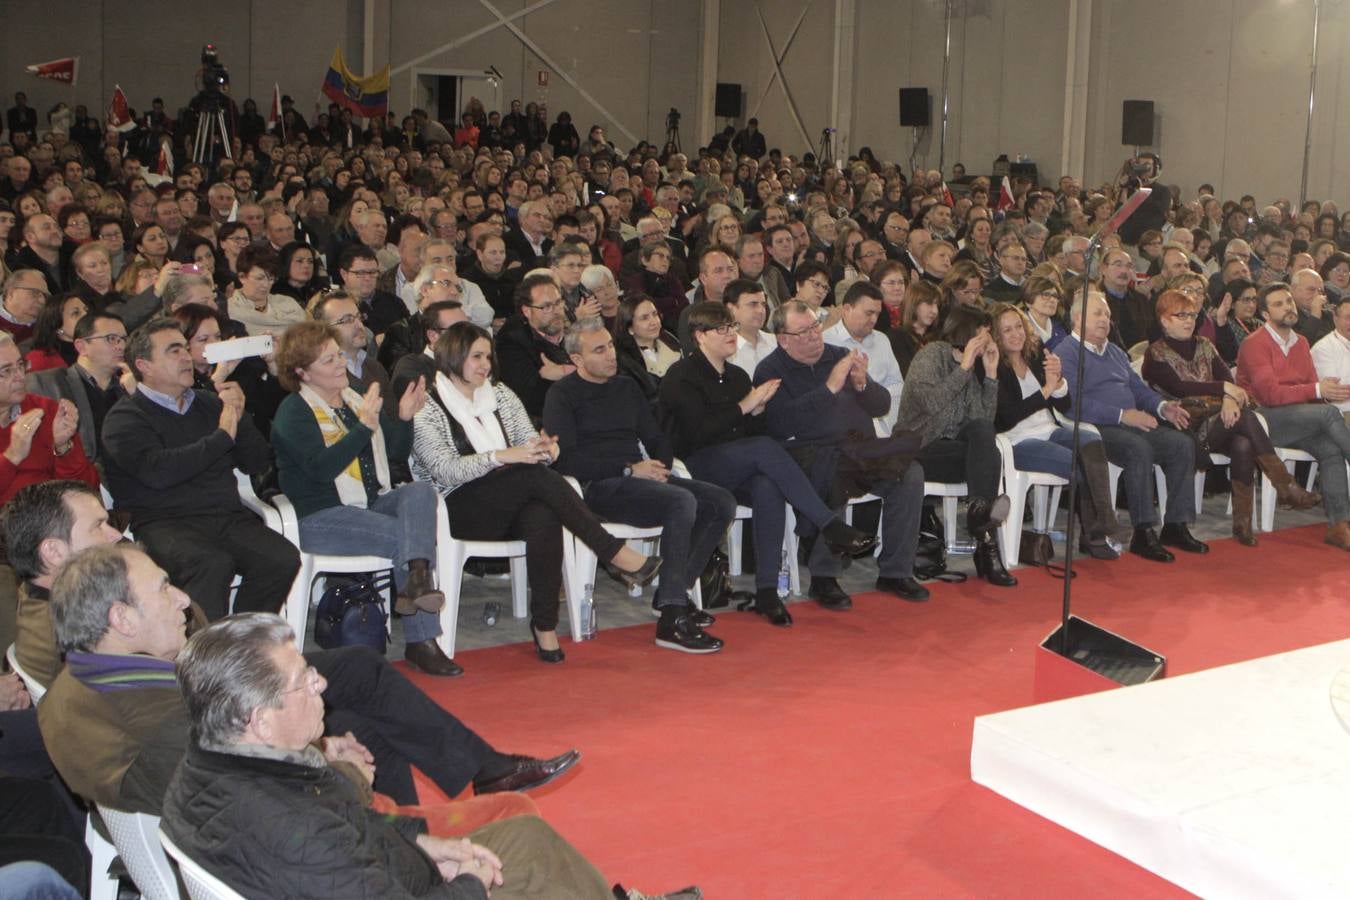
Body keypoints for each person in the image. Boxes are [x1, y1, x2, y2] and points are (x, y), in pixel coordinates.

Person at [10, 487, 575, 812]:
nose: (115, 534)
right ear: (56, 552)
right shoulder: (62, 631)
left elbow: (196, 637)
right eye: (100, 526)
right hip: (217, 722)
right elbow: (205, 742)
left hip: (209, 698)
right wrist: (327, 755)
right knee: (361, 720)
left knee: (358, 674)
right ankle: (419, 830)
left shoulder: (94, 623)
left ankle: (440, 807)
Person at [161, 611, 697, 899]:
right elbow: (332, 840)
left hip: (387, 871)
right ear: (259, 718)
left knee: (527, 838)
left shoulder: (217, 758)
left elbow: (350, 826)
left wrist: (427, 843)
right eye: (305, 680)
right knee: (518, 865)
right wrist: (467, 883)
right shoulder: (290, 828)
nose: (322, 683)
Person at [412, 322, 661, 663]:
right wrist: (501, 456)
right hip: (457, 508)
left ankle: (544, 625)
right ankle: (613, 551)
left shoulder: (500, 395)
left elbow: (528, 444)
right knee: (530, 477)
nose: (485, 364)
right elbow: (445, 470)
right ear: (453, 357)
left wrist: (546, 449)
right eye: (476, 357)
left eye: (488, 356)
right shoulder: (428, 406)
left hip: (511, 499)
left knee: (541, 513)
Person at [660, 303, 891, 623]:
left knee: (767, 485)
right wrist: (746, 406)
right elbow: (693, 433)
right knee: (765, 448)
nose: (731, 334)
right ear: (699, 336)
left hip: (739, 463)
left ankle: (767, 591)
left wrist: (754, 413)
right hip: (698, 465)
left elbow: (752, 430)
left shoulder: (737, 375)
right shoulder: (681, 375)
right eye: (721, 329)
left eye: (731, 327)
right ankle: (828, 523)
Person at [271, 320, 463, 676]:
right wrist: (362, 428)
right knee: (405, 537)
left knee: (420, 492)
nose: (340, 364)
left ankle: (416, 585)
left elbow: (394, 450)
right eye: (328, 361)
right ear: (302, 372)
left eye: (338, 356)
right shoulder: (294, 411)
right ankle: (423, 640)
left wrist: (403, 418)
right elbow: (319, 470)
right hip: (320, 514)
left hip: (370, 503)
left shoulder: (354, 398)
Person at [544, 317, 733, 652]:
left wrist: (659, 465)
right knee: (680, 502)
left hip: (641, 478)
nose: (610, 355)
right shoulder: (562, 395)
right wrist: (630, 468)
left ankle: (671, 593)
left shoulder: (626, 387)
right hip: (599, 486)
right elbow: (565, 460)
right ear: (576, 359)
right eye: (599, 350)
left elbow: (656, 436)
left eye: (611, 346)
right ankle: (672, 618)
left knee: (720, 502)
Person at [100, 317, 300, 619]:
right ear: (144, 365)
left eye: (184, 348)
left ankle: (242, 639)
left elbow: (256, 462)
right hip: (163, 522)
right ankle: (206, 655)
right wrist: (221, 437)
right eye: (173, 350)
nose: (185, 357)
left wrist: (240, 417)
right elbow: (159, 472)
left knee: (281, 558)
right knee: (210, 563)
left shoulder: (210, 403)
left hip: (225, 517)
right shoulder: (125, 418)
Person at [754, 301, 926, 608]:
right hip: (809, 453)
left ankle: (896, 570)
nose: (814, 335)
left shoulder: (840, 356)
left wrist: (862, 385)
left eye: (815, 327)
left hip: (860, 448)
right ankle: (824, 578)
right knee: (832, 466)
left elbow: (881, 406)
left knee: (909, 472)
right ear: (783, 338)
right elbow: (779, 424)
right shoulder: (770, 370)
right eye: (803, 331)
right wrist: (829, 388)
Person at [1142, 289, 1321, 546]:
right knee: (1246, 420)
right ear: (1164, 319)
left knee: (1243, 443)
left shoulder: (1205, 345)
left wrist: (1228, 398)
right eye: (1180, 315)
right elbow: (1181, 387)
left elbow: (1227, 379)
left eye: (1192, 314)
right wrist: (1225, 391)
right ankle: (1284, 485)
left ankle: (1243, 523)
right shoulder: (1155, 353)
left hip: (1218, 421)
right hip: (1183, 429)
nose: (1188, 320)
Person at [1056, 293, 1208, 562]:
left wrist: (1163, 408)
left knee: (1181, 444)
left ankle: (1175, 525)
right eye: (1097, 314)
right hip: (1095, 429)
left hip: (1131, 421)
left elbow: (1139, 390)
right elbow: (1072, 405)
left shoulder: (1114, 351)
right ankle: (1143, 530)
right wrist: (1121, 415)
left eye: (1106, 314)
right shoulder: (1066, 353)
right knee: (1138, 449)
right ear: (1078, 319)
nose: (1106, 320)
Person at [896, 306, 1017, 586]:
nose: (989, 341)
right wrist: (963, 369)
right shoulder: (931, 355)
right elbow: (931, 405)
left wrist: (989, 375)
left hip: (954, 453)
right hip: (918, 446)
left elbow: (984, 423)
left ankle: (978, 514)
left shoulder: (973, 367)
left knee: (985, 439)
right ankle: (986, 545)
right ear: (967, 334)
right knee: (988, 456)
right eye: (984, 334)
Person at [989, 303, 1118, 558]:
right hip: (1018, 441)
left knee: (1091, 441)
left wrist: (1058, 383)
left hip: (1050, 429)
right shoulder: (994, 367)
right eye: (1007, 330)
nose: (1016, 334)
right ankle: (1097, 535)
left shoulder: (1034, 355)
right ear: (996, 336)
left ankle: (1099, 526)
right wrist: (1046, 390)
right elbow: (1007, 417)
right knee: (1077, 464)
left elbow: (1064, 404)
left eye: (1018, 326)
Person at [1236, 283, 1350, 551]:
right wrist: (1319, 391)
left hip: (1296, 419)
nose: (1288, 307)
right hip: (1262, 419)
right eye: (1278, 304)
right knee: (1330, 412)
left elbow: (1311, 392)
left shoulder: (1301, 342)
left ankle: (1338, 525)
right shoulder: (1254, 344)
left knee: (1331, 448)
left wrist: (1324, 392)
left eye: (1288, 301)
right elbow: (1271, 395)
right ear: (1265, 314)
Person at [0, 333, 97, 506]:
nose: (21, 376)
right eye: (6, 371)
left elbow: (87, 488)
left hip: (53, 517)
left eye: (21, 365)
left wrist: (63, 447)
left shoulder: (45, 410)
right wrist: (12, 456)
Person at [26, 311, 130, 464]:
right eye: (111, 339)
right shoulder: (46, 383)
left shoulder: (130, 387)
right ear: (82, 347)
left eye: (123, 339)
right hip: (77, 474)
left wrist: (138, 395)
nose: (121, 346)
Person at [823, 281, 905, 434]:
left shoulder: (882, 340)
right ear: (847, 309)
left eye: (877, 314)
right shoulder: (825, 342)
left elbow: (896, 384)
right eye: (868, 313)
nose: (874, 320)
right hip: (847, 425)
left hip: (885, 418)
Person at [493, 272, 575, 421]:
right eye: (546, 307)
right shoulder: (512, 343)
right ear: (527, 311)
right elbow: (530, 398)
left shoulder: (575, 331)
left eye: (558, 303)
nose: (556, 311)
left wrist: (565, 371)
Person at [227, 244, 306, 339]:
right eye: (259, 278)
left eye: (271, 278)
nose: (266, 284)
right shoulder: (230, 309)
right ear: (242, 277)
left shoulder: (288, 303)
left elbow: (306, 334)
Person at [1311, 295, 1350, 428]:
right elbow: (1337, 393)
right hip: (1340, 414)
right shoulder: (1322, 349)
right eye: (1348, 318)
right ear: (1335, 318)